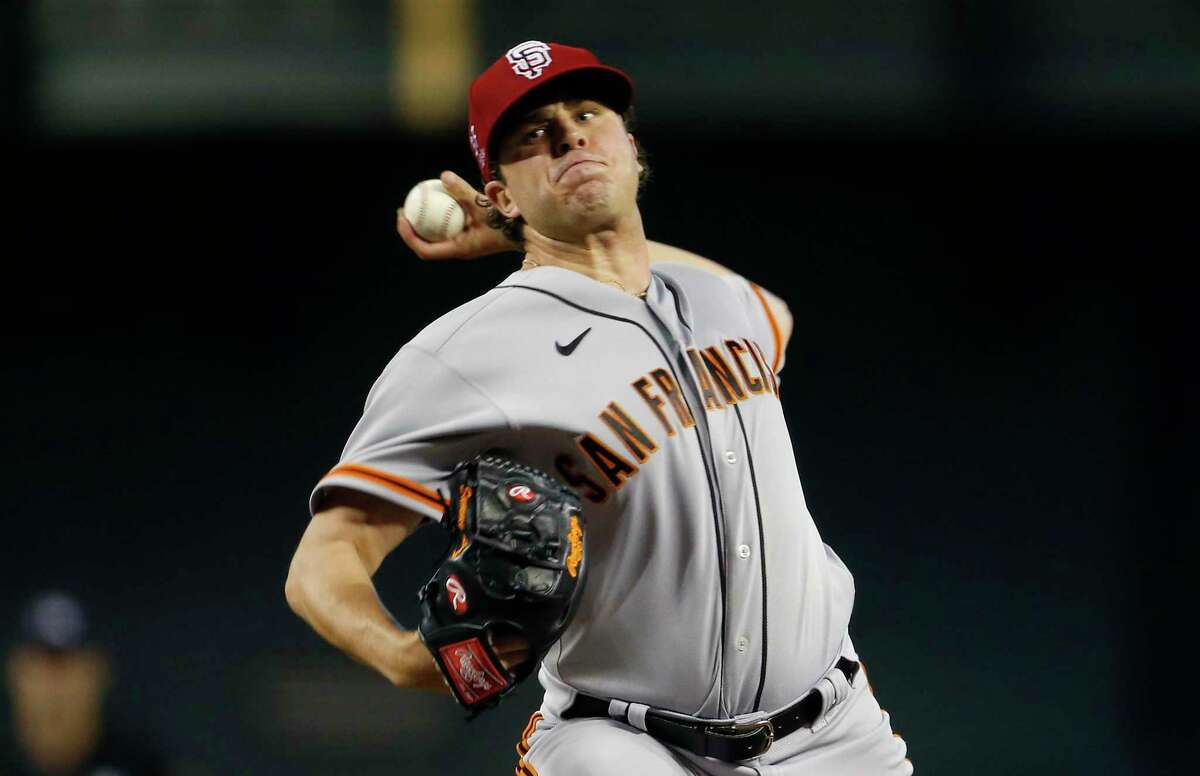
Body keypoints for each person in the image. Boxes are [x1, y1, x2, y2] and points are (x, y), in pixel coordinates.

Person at [286, 41, 912, 775]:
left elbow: (772, 314)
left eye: (588, 114)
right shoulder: (465, 350)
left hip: (834, 731)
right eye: (531, 136)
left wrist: (515, 236)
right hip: (625, 745)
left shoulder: (715, 300)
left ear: (632, 150)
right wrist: (399, 656)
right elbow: (324, 560)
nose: (568, 134)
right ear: (503, 192)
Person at [4, 591, 169, 776]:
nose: (53, 690)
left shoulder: (139, 762)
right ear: (15, 674)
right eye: (41, 667)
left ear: (98, 674)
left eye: (67, 666)